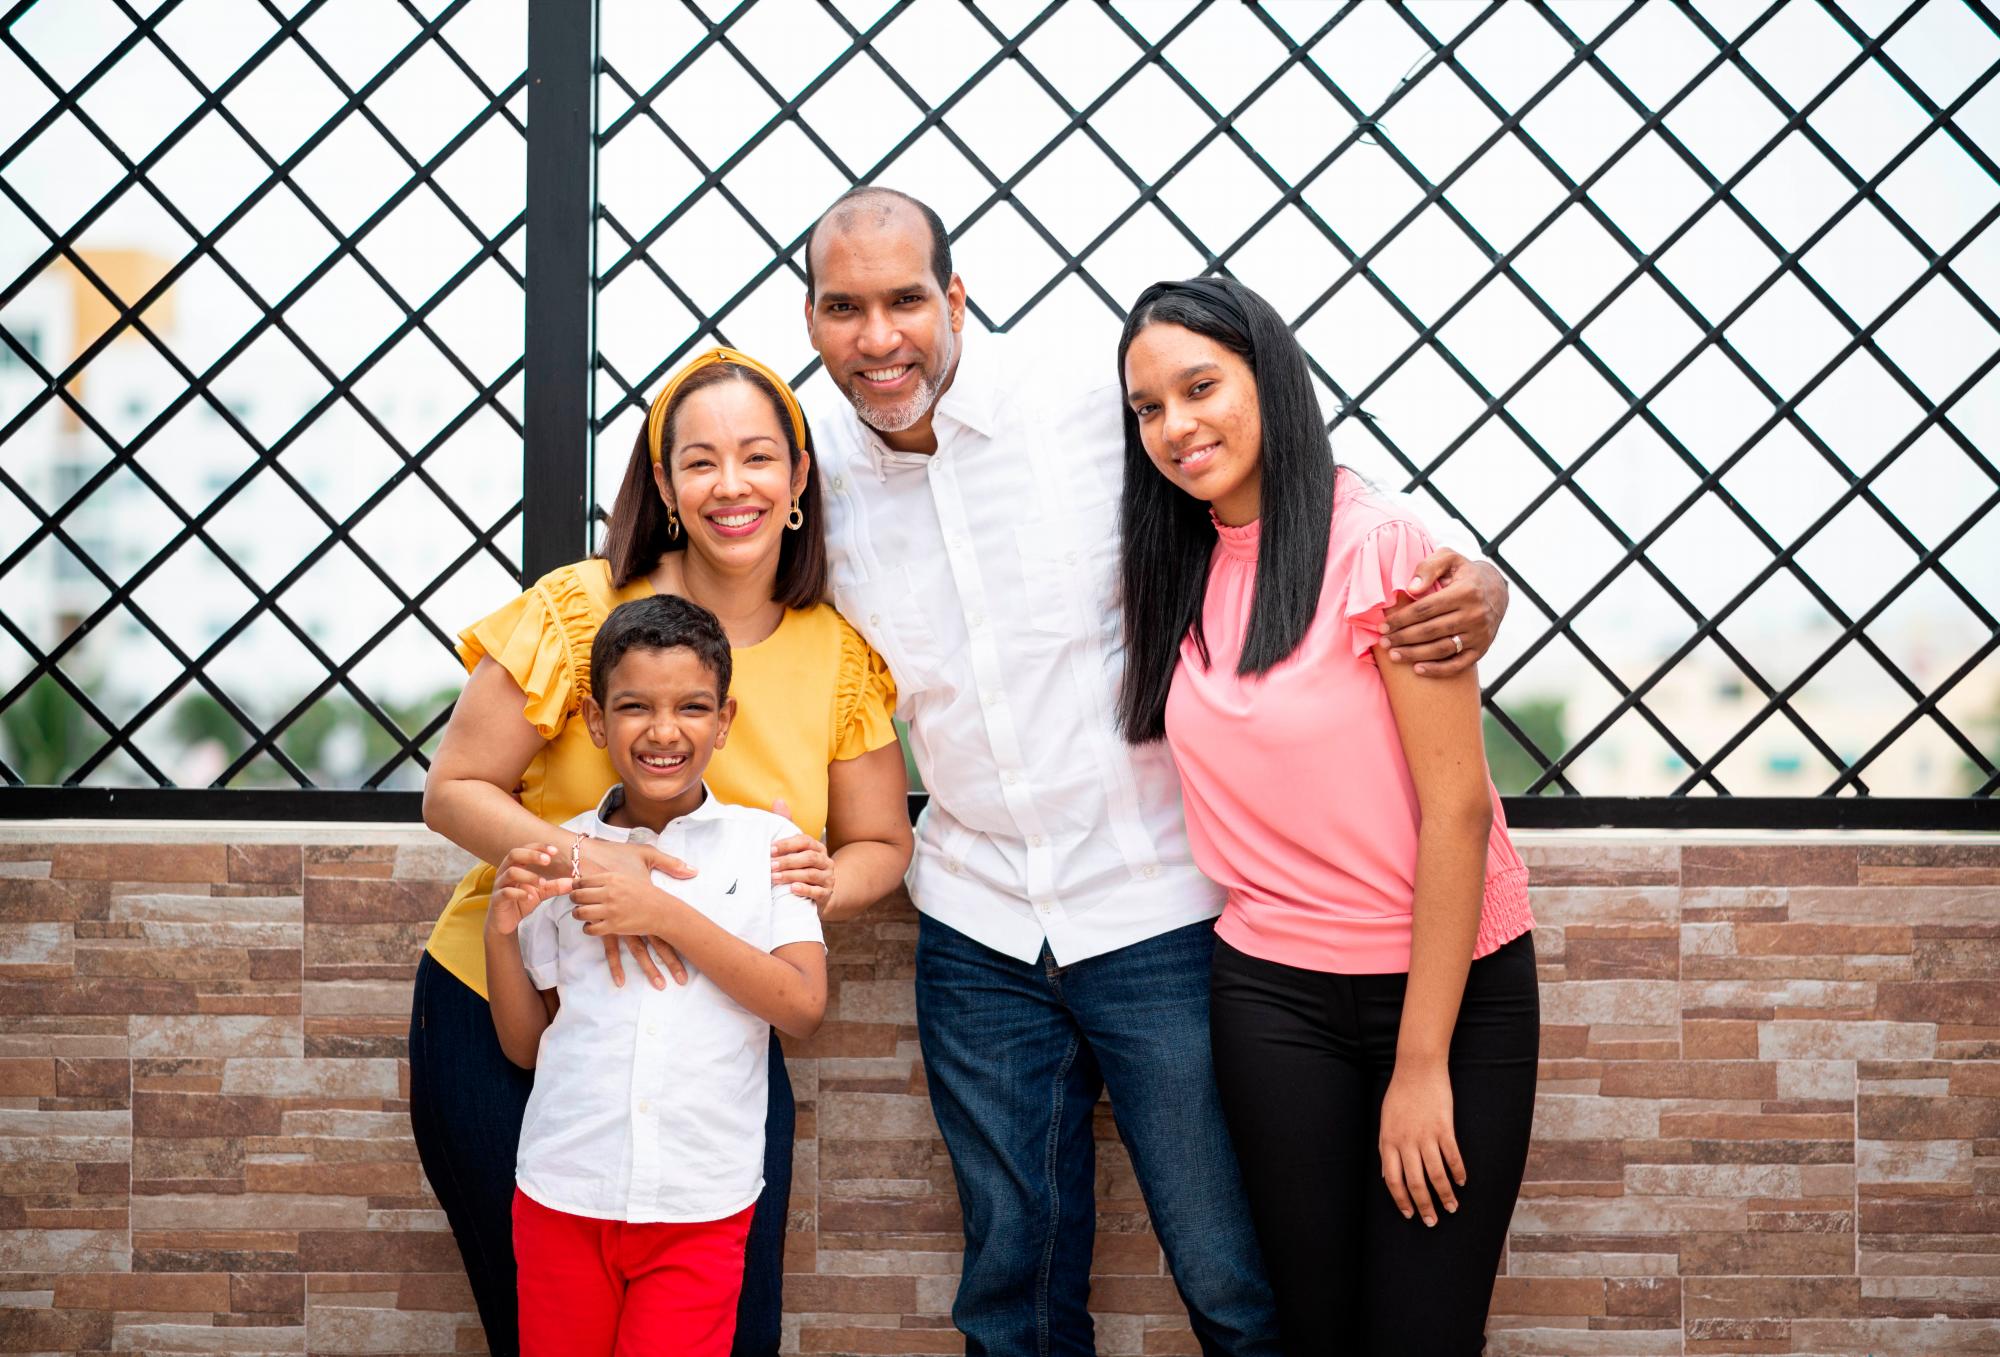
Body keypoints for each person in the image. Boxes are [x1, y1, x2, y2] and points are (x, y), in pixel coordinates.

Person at [797, 185, 1515, 1355]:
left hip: (1158, 913)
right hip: (975, 922)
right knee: (1008, 1295)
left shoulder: (1093, 402)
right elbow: (695, 566)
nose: (878, 337)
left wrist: (1476, 574)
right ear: (812, 319)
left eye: (904, 300)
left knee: (1234, 1279)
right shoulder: (808, 473)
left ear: (955, 298)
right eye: (842, 308)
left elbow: (1301, 487)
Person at [409, 348, 912, 1357]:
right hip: (507, 1008)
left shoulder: (836, 655)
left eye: (757, 458)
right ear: (665, 483)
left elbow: (879, 841)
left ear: (798, 479)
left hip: (709, 1035)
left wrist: (824, 883)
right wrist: (594, 868)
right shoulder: (576, 609)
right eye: (700, 461)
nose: (732, 485)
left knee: (732, 1332)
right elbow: (452, 788)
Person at [1116, 276, 1539, 1353]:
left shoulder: (1379, 546)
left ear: (1269, 378)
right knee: (1310, 1332)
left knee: (1418, 1336)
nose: (1175, 425)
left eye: (1200, 387)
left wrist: (1420, 1064)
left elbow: (1457, 811)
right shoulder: (1175, 564)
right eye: (1148, 407)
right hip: (1271, 997)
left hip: (1446, 994)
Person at [485, 594, 829, 1356]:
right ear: (595, 719)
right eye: (635, 705)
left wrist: (662, 912)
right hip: (562, 1192)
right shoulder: (561, 849)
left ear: (725, 720)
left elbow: (803, 1006)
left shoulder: (769, 845)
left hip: (700, 1204)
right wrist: (498, 936)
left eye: (692, 706)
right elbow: (527, 1045)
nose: (664, 730)